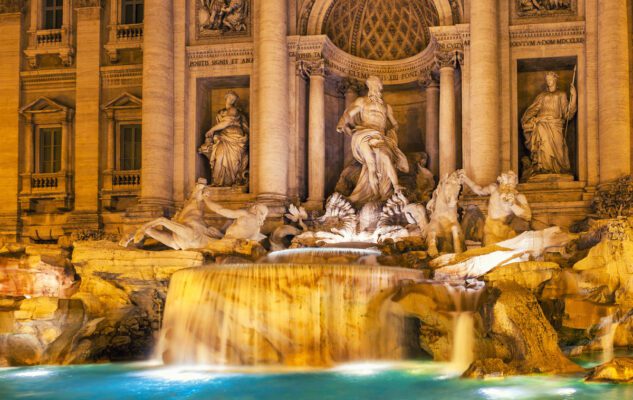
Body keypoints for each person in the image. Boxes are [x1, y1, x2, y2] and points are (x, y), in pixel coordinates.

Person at [336, 76, 409, 205]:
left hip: (380, 136)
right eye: (374, 85)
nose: (376, 88)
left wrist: (394, 129)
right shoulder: (362, 101)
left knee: (386, 156)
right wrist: (342, 124)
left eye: (378, 85)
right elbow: (348, 114)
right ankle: (375, 195)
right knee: (371, 163)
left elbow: (394, 124)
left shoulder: (387, 107)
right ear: (370, 87)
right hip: (364, 133)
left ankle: (396, 186)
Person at [521, 71, 577, 178]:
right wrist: (527, 119)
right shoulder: (541, 96)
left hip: (556, 125)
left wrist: (573, 97)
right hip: (542, 124)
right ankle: (544, 169)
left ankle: (558, 169)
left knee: (559, 150)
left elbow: (567, 114)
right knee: (544, 144)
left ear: (555, 80)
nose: (548, 81)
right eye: (547, 80)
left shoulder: (561, 95)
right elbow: (533, 109)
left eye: (550, 79)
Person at [460, 171, 532, 245]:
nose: (508, 177)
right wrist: (465, 179)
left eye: (511, 177)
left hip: (504, 232)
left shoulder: (519, 197)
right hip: (489, 230)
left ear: (515, 182)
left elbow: (527, 215)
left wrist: (512, 205)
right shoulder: (493, 188)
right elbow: (479, 190)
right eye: (507, 176)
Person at [199, 91, 249, 187]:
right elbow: (220, 126)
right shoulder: (220, 112)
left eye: (234, 99)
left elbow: (227, 122)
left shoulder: (234, 110)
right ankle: (218, 182)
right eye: (230, 98)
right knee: (219, 157)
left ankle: (232, 182)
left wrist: (211, 130)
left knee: (234, 162)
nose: (231, 100)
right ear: (226, 97)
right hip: (223, 138)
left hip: (235, 138)